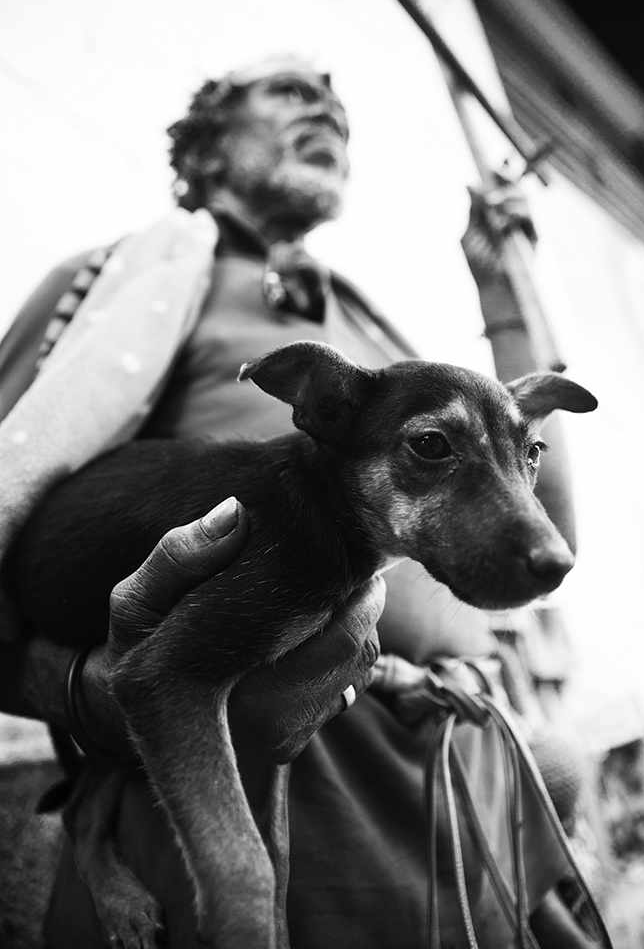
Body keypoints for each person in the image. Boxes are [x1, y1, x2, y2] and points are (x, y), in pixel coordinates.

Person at [0, 57, 608, 948]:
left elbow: (544, 515)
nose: (325, 105)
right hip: (257, 778)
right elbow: (12, 521)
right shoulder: (115, 284)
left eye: (337, 103)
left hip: (454, 770)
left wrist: (501, 290)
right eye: (288, 92)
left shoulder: (367, 329)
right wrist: (89, 694)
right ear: (206, 149)